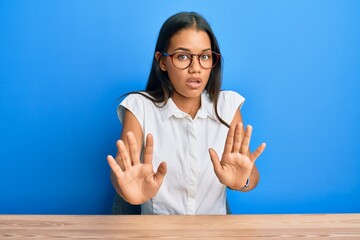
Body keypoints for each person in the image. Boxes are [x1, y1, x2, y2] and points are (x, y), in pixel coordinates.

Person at [107, 11, 266, 215]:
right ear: (162, 61)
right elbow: (122, 170)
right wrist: (129, 193)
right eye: (183, 56)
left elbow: (250, 176)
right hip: (156, 233)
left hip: (214, 233)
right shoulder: (139, 107)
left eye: (205, 57)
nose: (195, 68)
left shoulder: (228, 106)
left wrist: (241, 181)